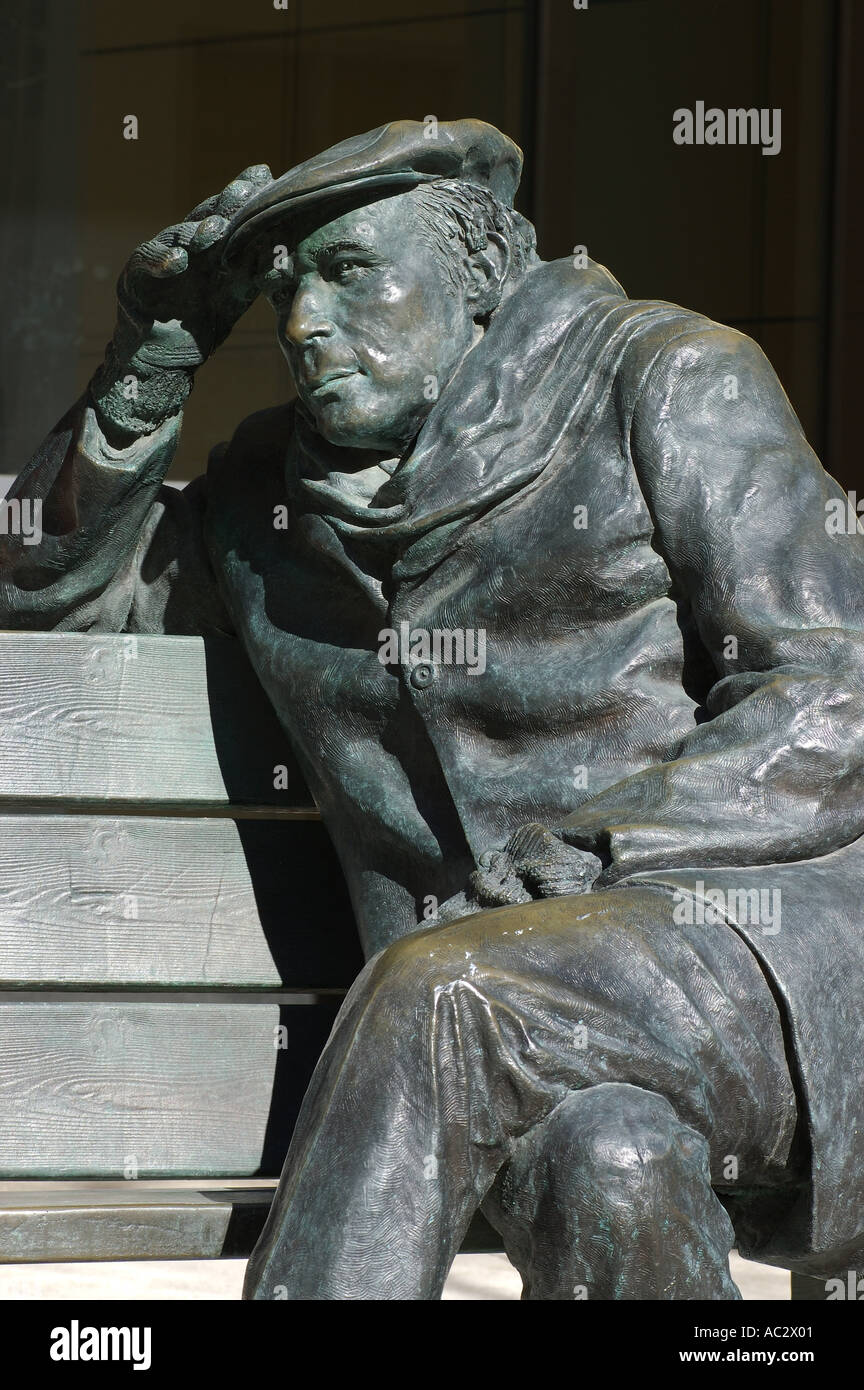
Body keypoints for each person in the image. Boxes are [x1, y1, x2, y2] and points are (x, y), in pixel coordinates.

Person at [2, 119, 864, 1300]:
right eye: (282, 292)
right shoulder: (267, 506)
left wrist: (600, 847)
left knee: (437, 988)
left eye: (352, 270)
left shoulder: (661, 377)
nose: (304, 324)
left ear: (476, 280)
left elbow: (836, 681)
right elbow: (44, 591)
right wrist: (151, 357)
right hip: (502, 1066)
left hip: (733, 956)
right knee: (601, 1167)